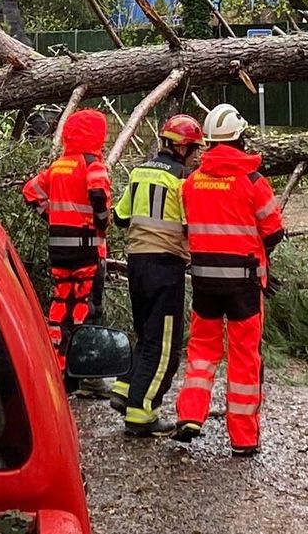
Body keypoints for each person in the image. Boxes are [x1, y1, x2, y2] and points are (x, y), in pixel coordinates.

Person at [171, 103, 285, 456]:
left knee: (202, 350)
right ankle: (243, 438)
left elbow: (188, 228)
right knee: (244, 358)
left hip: (204, 281)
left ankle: (190, 414)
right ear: (240, 138)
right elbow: (274, 231)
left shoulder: (192, 182)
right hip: (244, 285)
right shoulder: (253, 182)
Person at [110, 113, 204, 435]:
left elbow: (120, 217)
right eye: (195, 150)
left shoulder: (139, 173)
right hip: (166, 266)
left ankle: (125, 388)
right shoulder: (181, 182)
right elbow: (192, 226)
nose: (196, 157)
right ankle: (142, 411)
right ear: (183, 148)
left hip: (136, 264)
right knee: (164, 346)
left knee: (146, 334)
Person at [21, 109, 113, 379]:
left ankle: (56, 365)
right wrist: (102, 222)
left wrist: (51, 216)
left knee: (61, 304)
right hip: (88, 249)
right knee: (86, 308)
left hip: (59, 251)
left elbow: (30, 191)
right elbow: (98, 192)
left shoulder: (58, 166)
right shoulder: (92, 164)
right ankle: (85, 372)